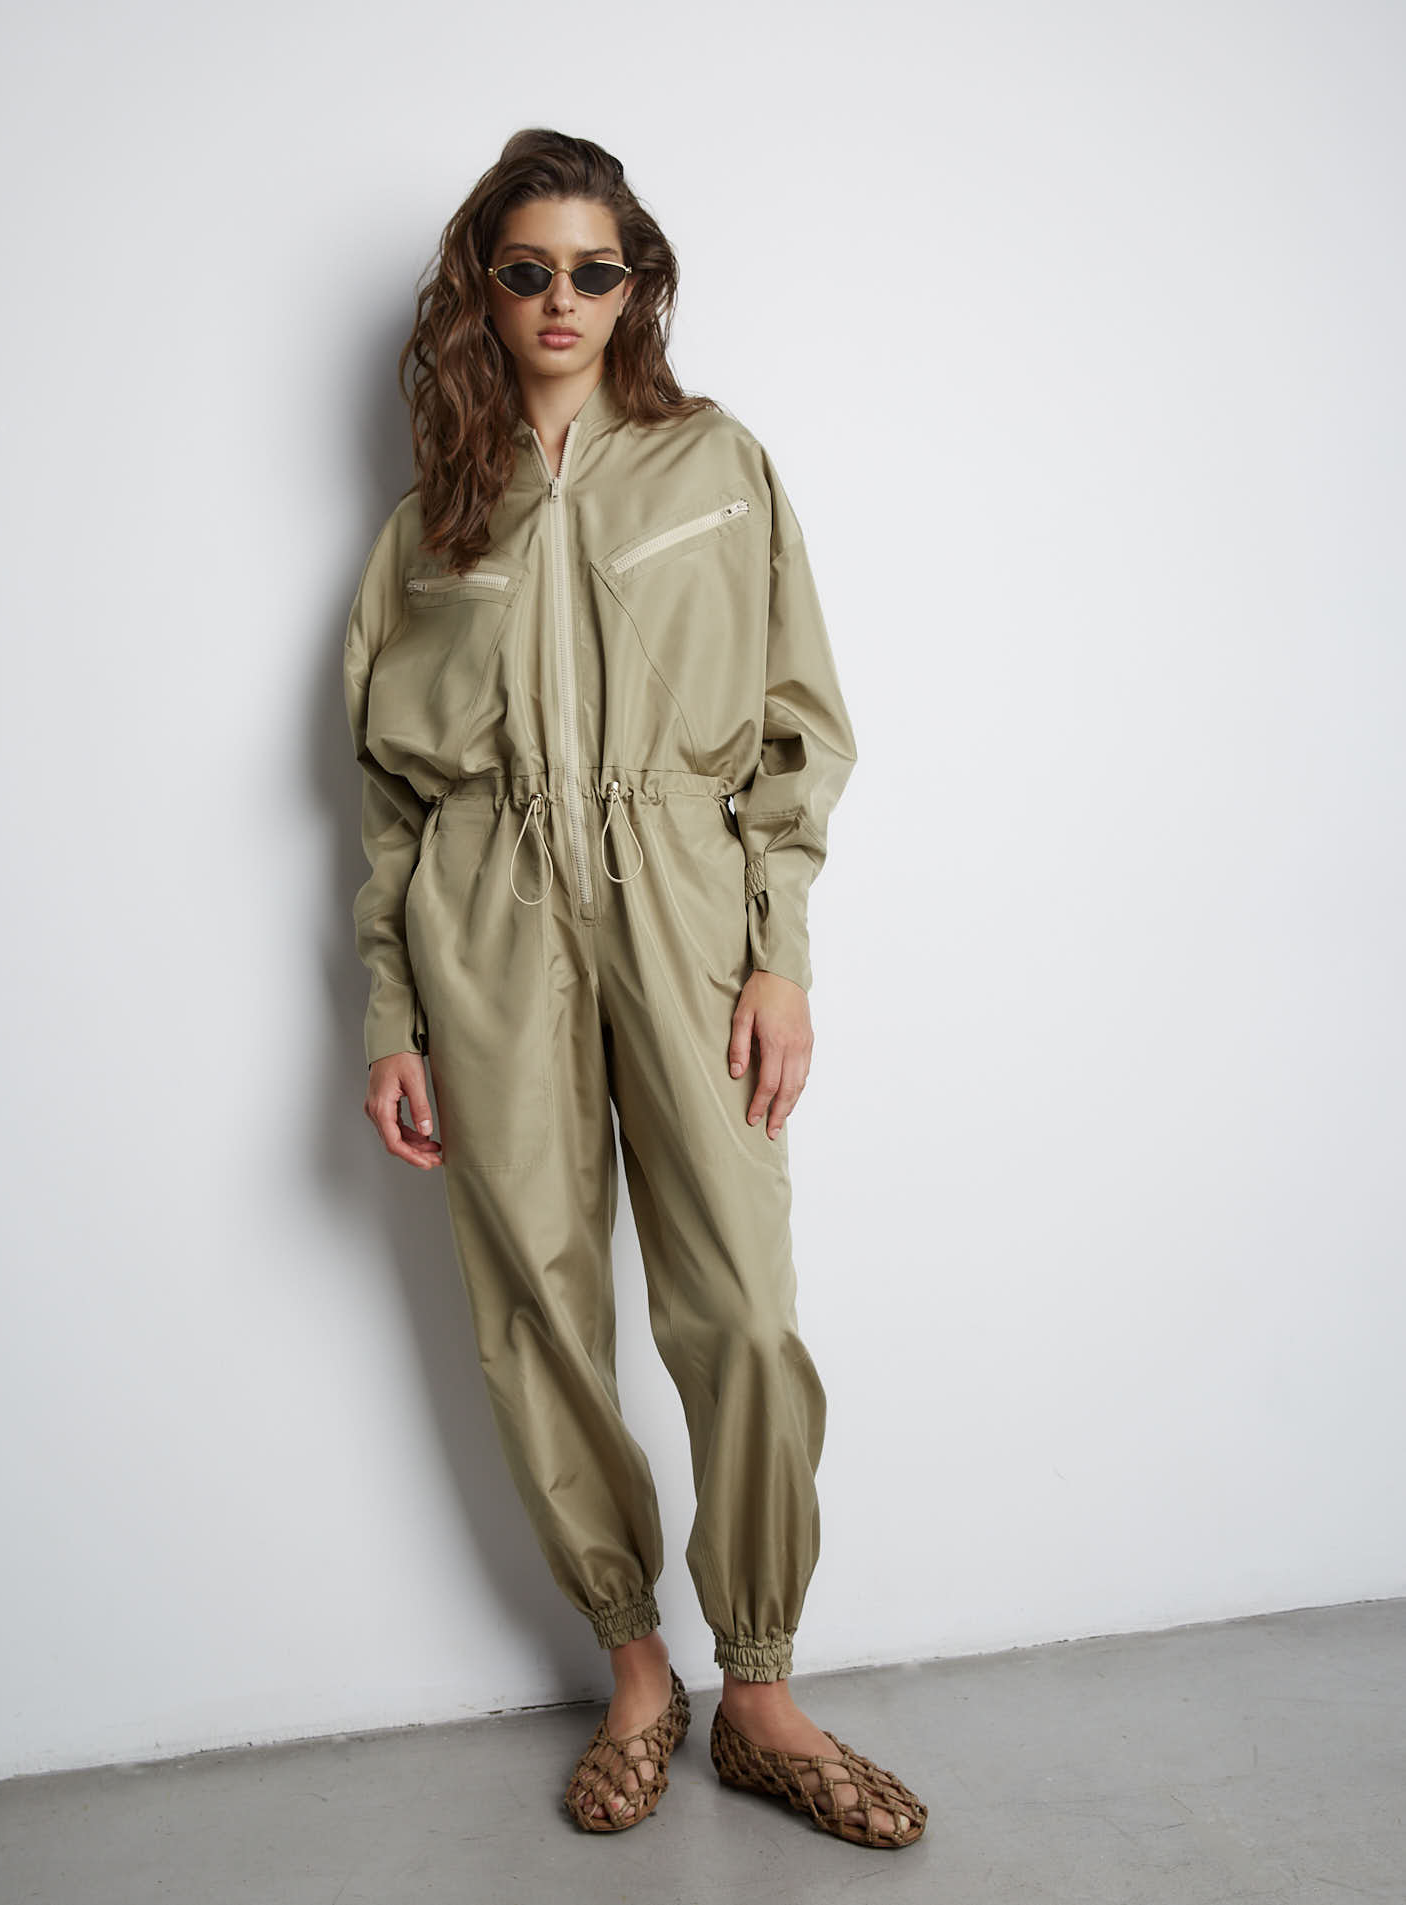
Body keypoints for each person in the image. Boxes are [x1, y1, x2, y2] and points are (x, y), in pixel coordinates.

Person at [342, 127, 927, 1850]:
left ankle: (762, 1687)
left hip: (683, 904)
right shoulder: (430, 521)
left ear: (637, 282)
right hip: (486, 919)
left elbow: (797, 728)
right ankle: (637, 1668)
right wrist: (391, 1011)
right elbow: (386, 802)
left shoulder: (717, 466)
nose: (562, 299)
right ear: (483, 288)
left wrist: (780, 954)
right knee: (536, 1303)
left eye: (594, 270)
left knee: (740, 1302)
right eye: (527, 270)